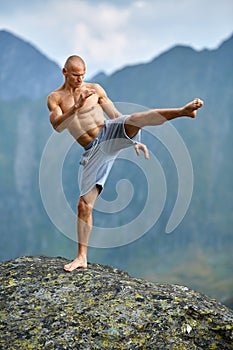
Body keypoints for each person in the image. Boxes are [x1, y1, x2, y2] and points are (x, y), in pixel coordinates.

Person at [47, 55, 203, 272]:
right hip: (93, 150)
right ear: (65, 73)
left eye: (83, 75)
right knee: (84, 205)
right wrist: (75, 108)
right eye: (75, 76)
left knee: (136, 118)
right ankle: (81, 257)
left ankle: (183, 112)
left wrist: (132, 140)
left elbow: (116, 115)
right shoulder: (56, 98)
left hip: (109, 132)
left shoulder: (95, 89)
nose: (80, 79)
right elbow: (57, 126)